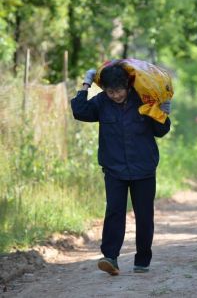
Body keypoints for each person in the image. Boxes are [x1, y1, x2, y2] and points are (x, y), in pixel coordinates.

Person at [71, 65, 171, 275]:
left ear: (127, 86)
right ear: (105, 90)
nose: (115, 95)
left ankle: (142, 260)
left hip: (143, 168)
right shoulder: (102, 102)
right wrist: (86, 83)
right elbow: (79, 111)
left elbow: (161, 131)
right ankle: (111, 258)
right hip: (114, 168)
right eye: (110, 91)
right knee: (114, 212)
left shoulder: (144, 99)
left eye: (118, 91)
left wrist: (164, 109)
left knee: (144, 215)